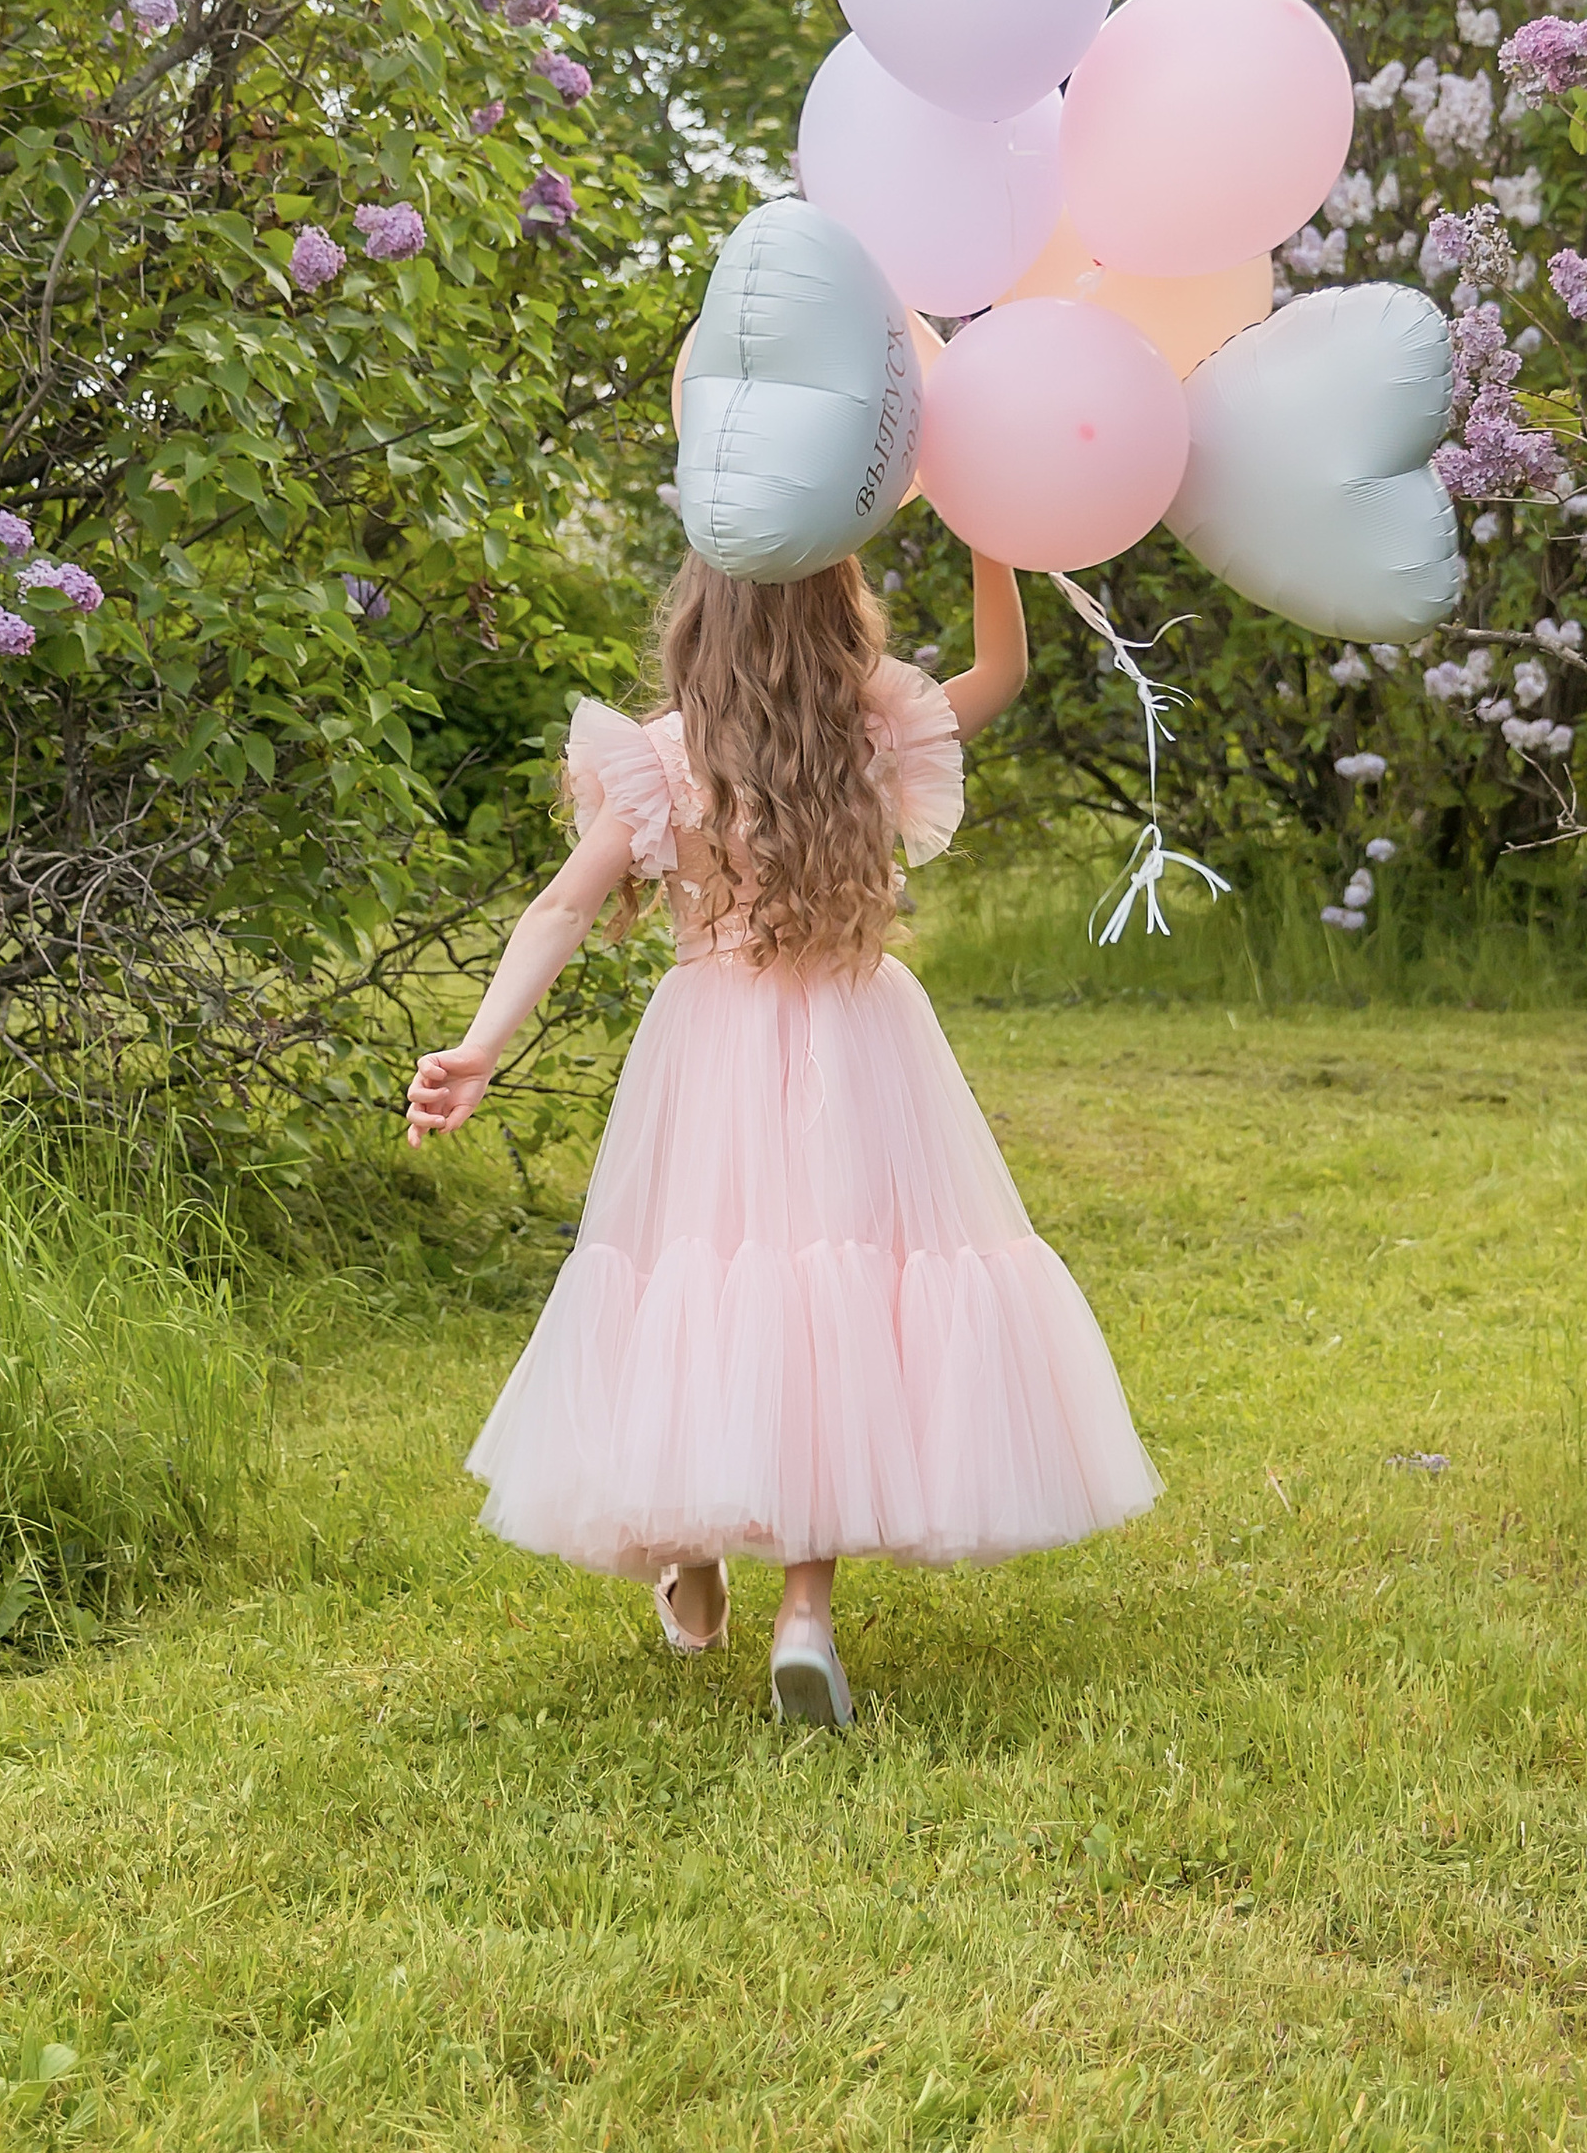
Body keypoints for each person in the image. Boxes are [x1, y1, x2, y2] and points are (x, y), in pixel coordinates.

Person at [404, 544, 1155, 1724]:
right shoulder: (871, 734)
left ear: (696, 624)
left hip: (710, 1046)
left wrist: (482, 1045)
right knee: (832, 1294)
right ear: (836, 609)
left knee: (701, 1282)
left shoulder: (659, 763)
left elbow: (563, 905)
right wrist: (988, 546)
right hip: (861, 1037)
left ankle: (691, 1544)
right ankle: (805, 1612)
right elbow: (1001, 673)